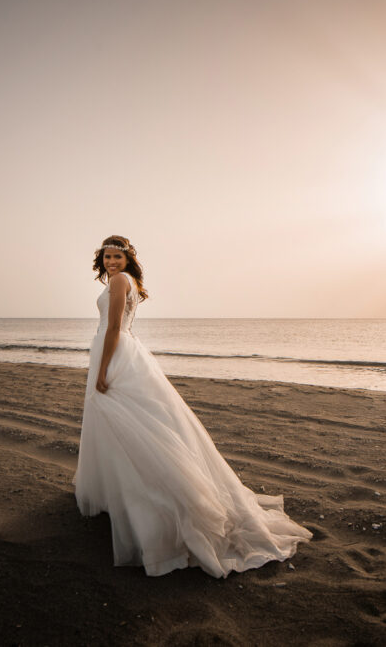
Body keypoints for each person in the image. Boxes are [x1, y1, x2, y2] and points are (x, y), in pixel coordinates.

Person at [73, 235, 312, 578]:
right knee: (130, 422)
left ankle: (151, 501)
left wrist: (103, 366)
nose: (112, 262)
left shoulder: (120, 281)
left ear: (127, 261)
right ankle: (120, 494)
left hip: (115, 352)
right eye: (107, 257)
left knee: (128, 422)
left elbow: (112, 327)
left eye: (117, 257)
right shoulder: (127, 281)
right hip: (127, 350)